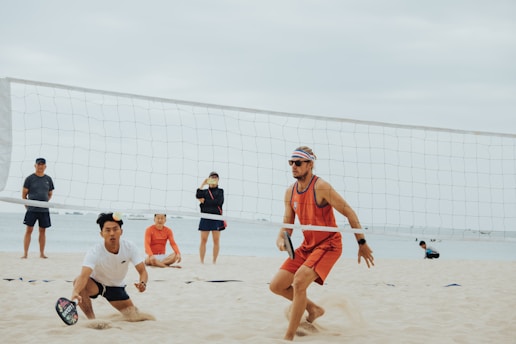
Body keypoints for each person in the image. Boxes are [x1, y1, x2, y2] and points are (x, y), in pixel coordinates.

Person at [269, 146, 375, 341]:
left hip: (329, 245)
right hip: (308, 245)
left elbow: (349, 212)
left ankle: (288, 337)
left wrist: (362, 243)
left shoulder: (321, 187)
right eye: (291, 162)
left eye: (298, 163)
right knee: (276, 285)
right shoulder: (290, 192)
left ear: (310, 165)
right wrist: (281, 237)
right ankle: (314, 309)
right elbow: (287, 224)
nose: (293, 166)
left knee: (299, 281)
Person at [71, 212, 148, 319]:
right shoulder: (94, 251)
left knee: (134, 317)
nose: (112, 233)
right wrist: (75, 291)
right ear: (101, 234)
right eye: (107, 230)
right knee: (77, 282)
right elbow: (83, 276)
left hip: (116, 287)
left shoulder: (129, 247)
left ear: (121, 231)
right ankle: (92, 319)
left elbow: (142, 271)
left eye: (115, 229)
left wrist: (143, 283)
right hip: (96, 284)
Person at [21, 157, 55, 259]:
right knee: (29, 230)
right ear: (35, 165)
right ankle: (25, 254)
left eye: (42, 164)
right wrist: (28, 205)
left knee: (43, 231)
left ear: (45, 166)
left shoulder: (48, 179)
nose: (40, 166)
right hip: (32, 209)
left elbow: (50, 194)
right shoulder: (29, 178)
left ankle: (42, 253)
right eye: (38, 164)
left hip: (44, 209)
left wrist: (44, 203)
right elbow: (24, 195)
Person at [196, 171, 225, 264]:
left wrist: (205, 202)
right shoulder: (204, 191)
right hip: (205, 217)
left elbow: (218, 202)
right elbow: (197, 195)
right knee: (203, 240)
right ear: (209, 179)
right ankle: (201, 261)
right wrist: (203, 184)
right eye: (212, 178)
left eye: (215, 178)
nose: (214, 179)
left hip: (216, 217)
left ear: (218, 180)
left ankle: (214, 261)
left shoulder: (220, 191)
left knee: (216, 240)